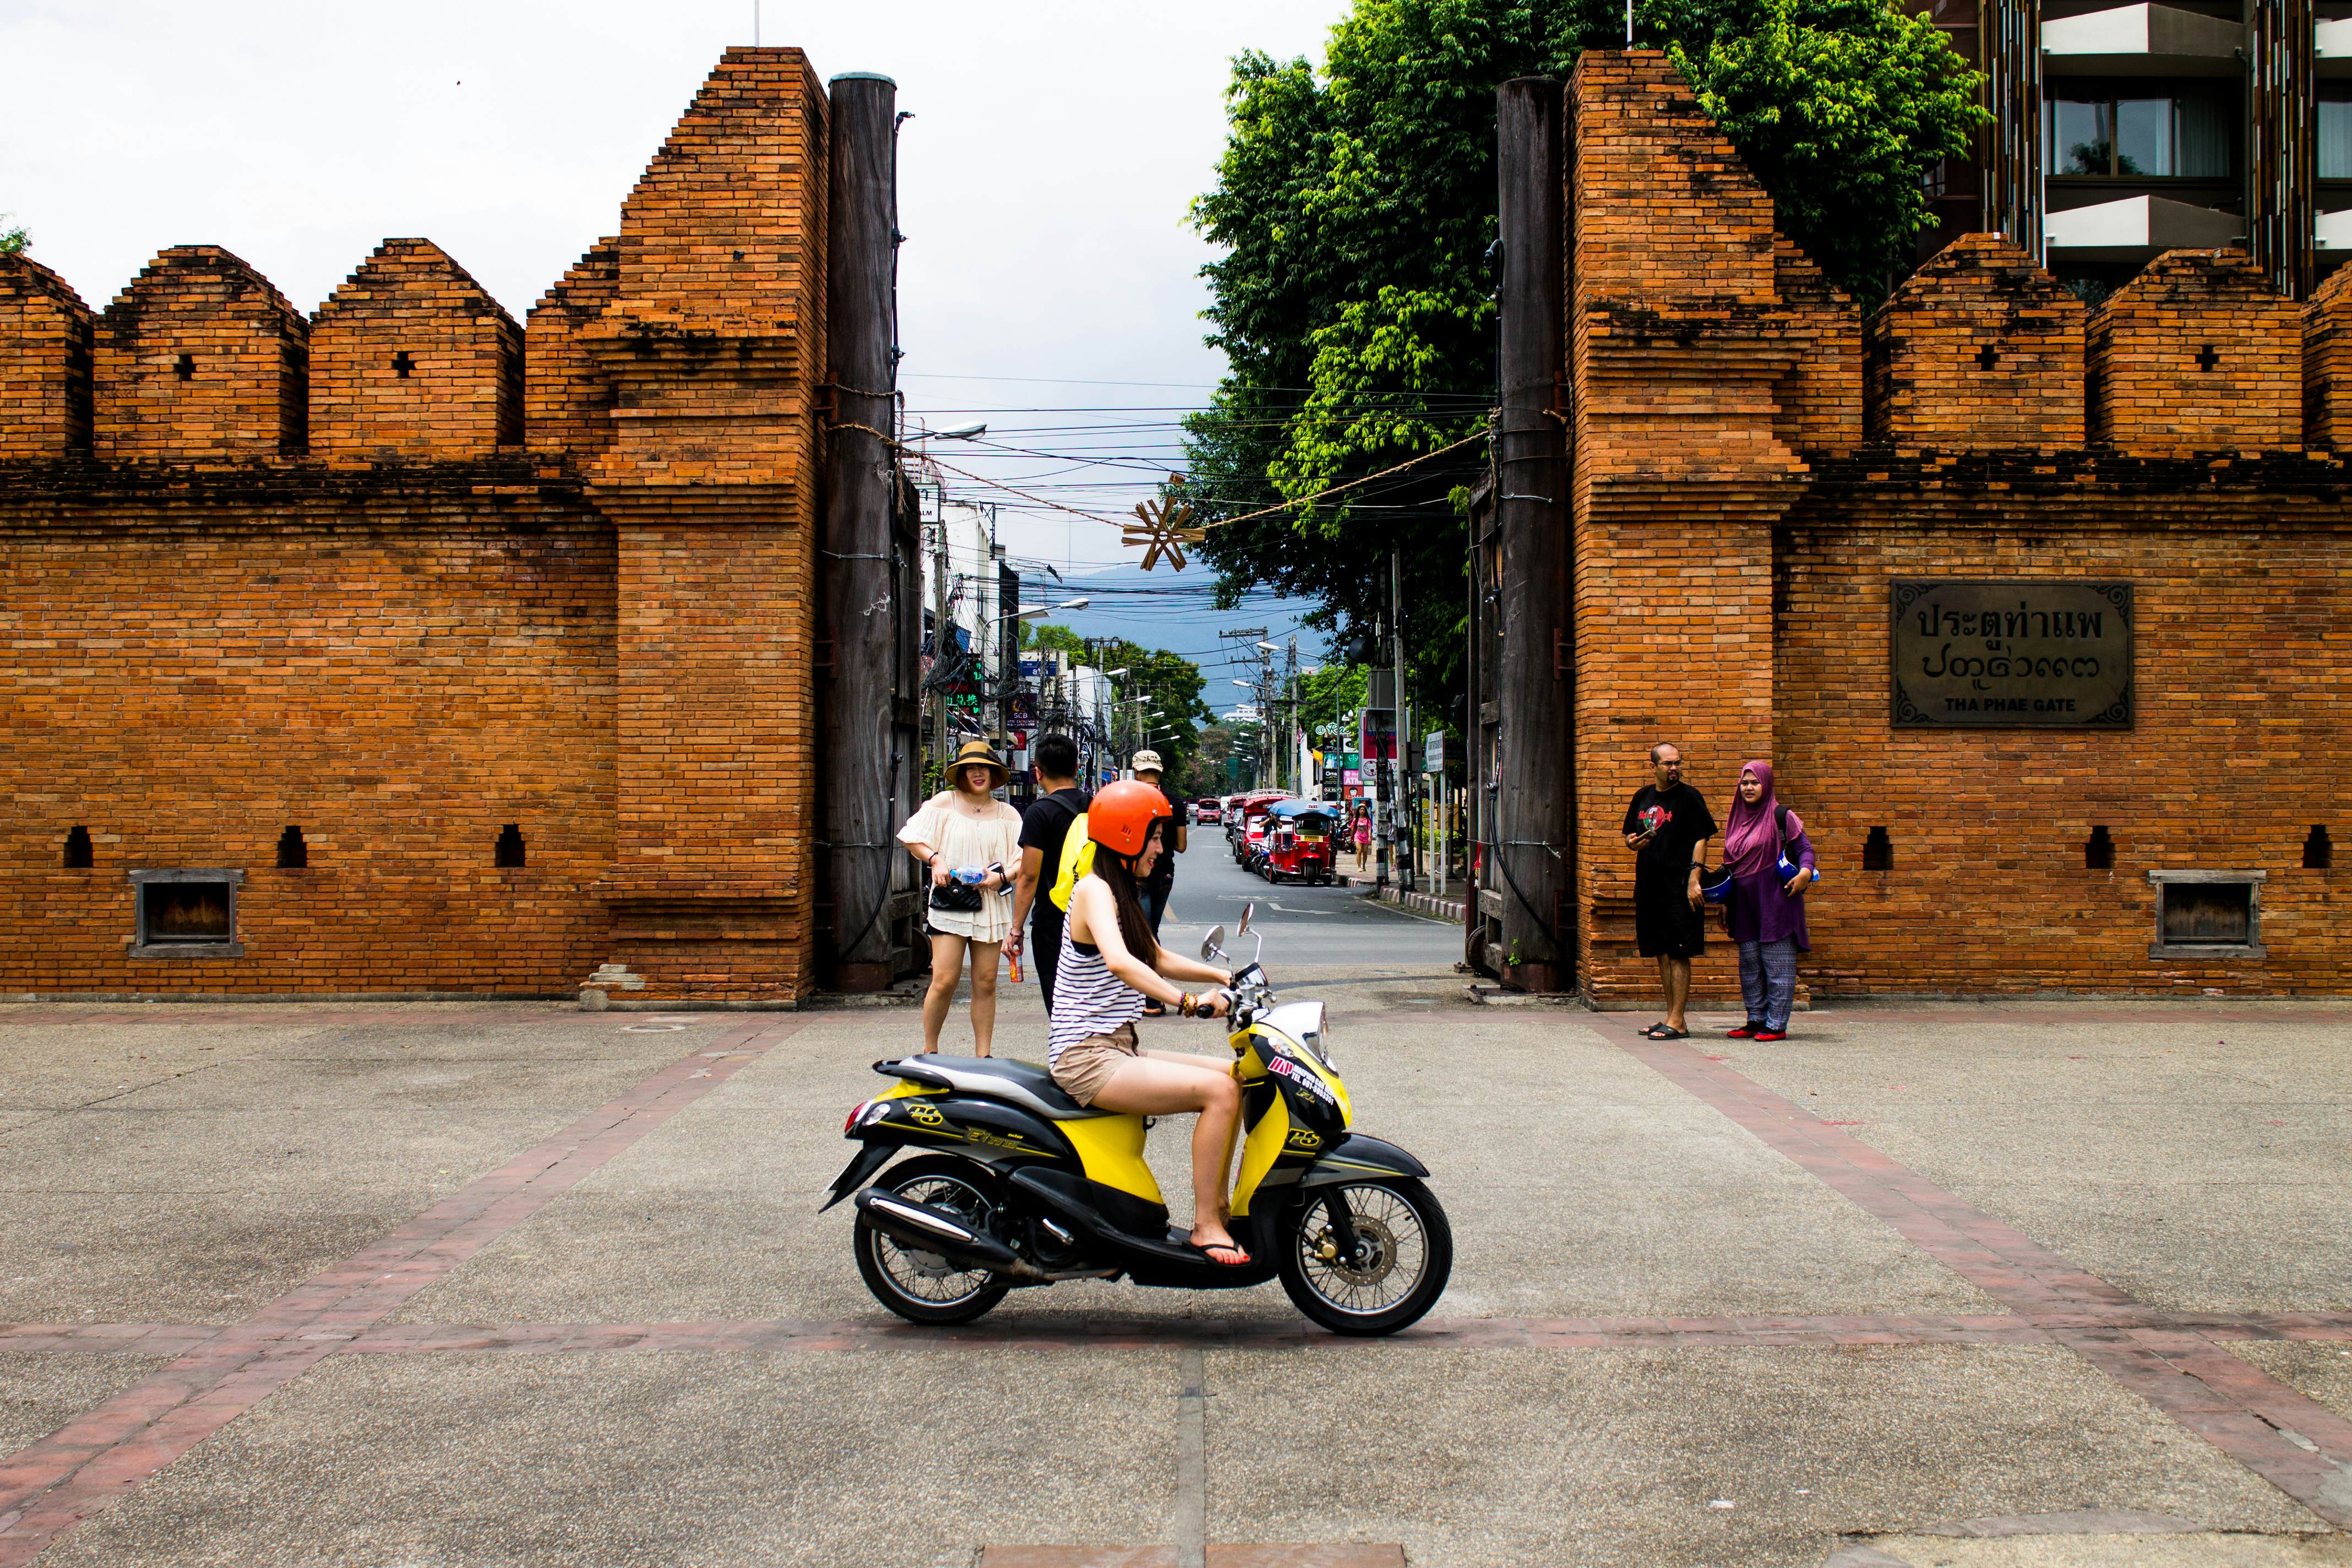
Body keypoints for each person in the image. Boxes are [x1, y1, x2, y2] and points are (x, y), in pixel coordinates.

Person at [1048, 780, 1250, 1265]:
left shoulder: (1120, 889)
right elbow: (1120, 962)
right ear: (1125, 835)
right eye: (1154, 836)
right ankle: (1205, 1226)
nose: (1162, 847)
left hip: (1117, 1046)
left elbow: (1154, 955)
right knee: (1220, 1093)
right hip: (1087, 1057)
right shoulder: (1094, 890)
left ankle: (1220, 1207)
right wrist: (1188, 1002)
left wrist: (1225, 974)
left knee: (1235, 1077)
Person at [897, 740, 1023, 1057]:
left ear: (994, 774)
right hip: (950, 902)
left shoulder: (1008, 814)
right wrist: (936, 859)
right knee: (945, 980)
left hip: (991, 905)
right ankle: (930, 1052)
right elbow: (912, 837)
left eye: (984, 768)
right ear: (962, 773)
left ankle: (984, 1056)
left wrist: (1002, 877)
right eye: (971, 768)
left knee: (986, 983)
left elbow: (1022, 860)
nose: (978, 773)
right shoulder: (945, 803)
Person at [1621, 742, 1717, 1040]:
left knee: (1679, 953)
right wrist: (1632, 843)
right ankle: (1670, 1017)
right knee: (1661, 953)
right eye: (1667, 764)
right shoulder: (1643, 797)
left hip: (1678, 887)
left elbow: (1702, 838)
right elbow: (1629, 834)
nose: (1674, 768)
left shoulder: (1689, 797)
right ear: (1654, 767)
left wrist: (1694, 879)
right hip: (1650, 886)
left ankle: (1679, 1021)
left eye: (1678, 763)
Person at [1719, 760, 1816, 1042]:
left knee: (1777, 964)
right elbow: (1731, 864)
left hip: (1776, 899)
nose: (1749, 788)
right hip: (1744, 903)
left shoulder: (1781, 816)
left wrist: (1805, 874)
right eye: (1744, 783)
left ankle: (1776, 1024)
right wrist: (1726, 902)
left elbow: (1805, 849)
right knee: (1749, 964)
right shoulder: (1736, 818)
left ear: (1767, 784)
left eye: (1755, 782)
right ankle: (1755, 1019)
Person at [1006, 734, 1090, 1015]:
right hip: (1094, 917)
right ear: (1077, 768)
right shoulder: (1098, 806)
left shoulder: (1039, 813)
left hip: (1053, 921)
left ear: (1038, 773)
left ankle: (1069, 1054)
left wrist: (1016, 929)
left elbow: (1029, 877)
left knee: (1061, 1004)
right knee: (1091, 1000)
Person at [1129, 749, 1187, 1016]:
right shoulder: (1175, 801)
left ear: (1137, 771)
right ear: (1160, 771)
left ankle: (1153, 998)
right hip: (1165, 874)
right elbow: (1182, 846)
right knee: (1150, 932)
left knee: (1144, 935)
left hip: (1138, 875)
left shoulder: (1130, 798)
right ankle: (1151, 995)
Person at [1352, 805, 1372, 872]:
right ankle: (1359, 866)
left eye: (1363, 810)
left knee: (1365, 853)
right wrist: (1351, 836)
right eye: (1361, 810)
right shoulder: (1356, 819)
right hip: (1358, 837)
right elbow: (1353, 828)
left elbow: (1369, 829)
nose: (1362, 811)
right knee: (1359, 850)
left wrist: (1369, 837)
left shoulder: (1368, 820)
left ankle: (1364, 866)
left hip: (1365, 838)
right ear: (1359, 811)